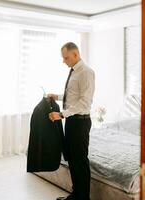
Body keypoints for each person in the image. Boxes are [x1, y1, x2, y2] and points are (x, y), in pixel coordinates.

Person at [48, 42, 95, 200]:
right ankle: (76, 195)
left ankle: (83, 198)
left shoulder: (86, 72)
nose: (64, 61)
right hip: (71, 121)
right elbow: (73, 96)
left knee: (80, 161)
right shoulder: (74, 71)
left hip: (80, 122)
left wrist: (61, 115)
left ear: (75, 54)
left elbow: (84, 102)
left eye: (66, 57)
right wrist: (58, 96)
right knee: (73, 160)